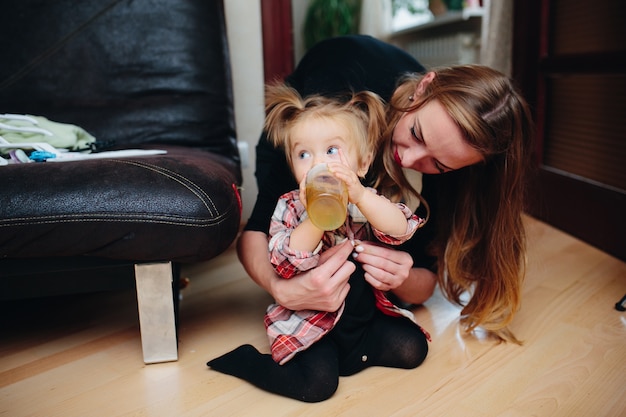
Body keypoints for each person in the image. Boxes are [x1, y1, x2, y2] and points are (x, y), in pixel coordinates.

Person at [238, 35, 534, 348]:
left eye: (439, 164)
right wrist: (279, 288)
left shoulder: (453, 162)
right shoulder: (332, 106)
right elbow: (255, 233)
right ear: (423, 86)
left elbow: (424, 282)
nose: (408, 160)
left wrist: (401, 277)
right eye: (416, 134)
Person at [208, 84, 431, 402]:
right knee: (316, 387)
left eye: (331, 151)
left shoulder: (367, 202)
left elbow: (401, 228)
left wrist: (362, 196)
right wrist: (315, 215)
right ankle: (249, 362)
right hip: (315, 326)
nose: (317, 163)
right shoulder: (291, 207)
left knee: (413, 349)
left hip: (363, 320)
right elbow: (286, 260)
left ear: (363, 163)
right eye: (303, 154)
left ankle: (355, 353)